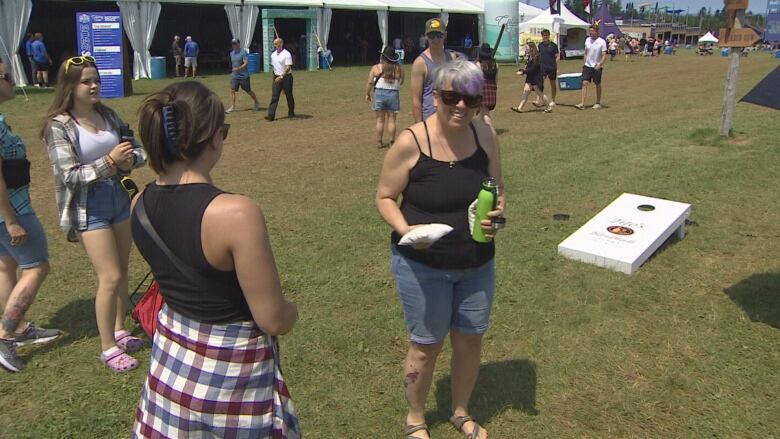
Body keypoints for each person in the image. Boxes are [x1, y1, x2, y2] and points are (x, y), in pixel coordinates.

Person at [132, 81, 299, 438]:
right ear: (212, 139)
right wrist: (292, 310)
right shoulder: (235, 213)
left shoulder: (138, 205)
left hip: (171, 365)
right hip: (231, 377)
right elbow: (273, 318)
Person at [376, 57, 505, 439]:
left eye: (470, 98)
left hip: (477, 263)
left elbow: (498, 191)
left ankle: (461, 411)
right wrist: (406, 229)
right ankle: (415, 418)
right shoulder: (411, 141)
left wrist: (498, 216)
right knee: (426, 346)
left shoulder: (485, 136)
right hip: (423, 266)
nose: (461, 106)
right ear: (436, 96)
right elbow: (384, 196)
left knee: (469, 340)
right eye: (452, 97)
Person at [41, 55, 147, 372]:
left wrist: (131, 161)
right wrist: (112, 162)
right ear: (70, 87)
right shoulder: (59, 127)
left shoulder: (108, 115)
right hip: (88, 205)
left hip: (118, 195)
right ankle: (107, 348)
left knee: (123, 270)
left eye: (96, 79)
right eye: (86, 81)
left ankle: (119, 329)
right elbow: (69, 176)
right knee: (110, 276)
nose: (94, 85)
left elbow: (137, 151)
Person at [0, 57, 60, 373]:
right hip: (12, 209)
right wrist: (10, 219)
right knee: (37, 267)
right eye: (5, 75)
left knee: (6, 265)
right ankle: (6, 335)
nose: (10, 79)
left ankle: (20, 328)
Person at [411, 18, 460, 122]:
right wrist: (420, 128)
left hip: (451, 118)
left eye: (439, 35)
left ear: (445, 35)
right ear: (425, 36)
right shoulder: (420, 63)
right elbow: (416, 100)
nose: (436, 39)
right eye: (431, 35)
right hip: (430, 121)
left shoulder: (452, 58)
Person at [366, 47, 404, 148]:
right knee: (392, 120)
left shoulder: (375, 68)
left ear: (383, 56)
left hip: (379, 94)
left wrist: (367, 93)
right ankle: (392, 142)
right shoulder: (398, 69)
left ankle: (379, 142)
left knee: (380, 120)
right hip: (393, 94)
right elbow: (402, 82)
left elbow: (370, 82)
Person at [511, 42, 552, 114]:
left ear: (532, 48)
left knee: (540, 94)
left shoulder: (537, 56)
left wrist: (523, 72)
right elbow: (528, 68)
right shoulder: (529, 56)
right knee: (525, 91)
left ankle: (548, 107)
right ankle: (520, 108)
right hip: (530, 78)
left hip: (536, 79)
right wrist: (522, 70)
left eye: (527, 48)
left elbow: (533, 69)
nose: (526, 49)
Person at [576, 25, 607, 110]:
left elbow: (604, 55)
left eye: (592, 31)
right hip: (587, 66)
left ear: (597, 31)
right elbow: (586, 52)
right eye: (590, 31)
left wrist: (600, 64)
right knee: (584, 83)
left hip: (597, 66)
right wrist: (585, 61)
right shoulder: (587, 40)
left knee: (597, 84)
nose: (591, 33)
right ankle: (582, 103)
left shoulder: (602, 42)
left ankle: (598, 103)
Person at [265, 38, 295, 122]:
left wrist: (281, 77)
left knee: (289, 96)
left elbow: (288, 67)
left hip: (286, 78)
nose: (274, 46)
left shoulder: (287, 54)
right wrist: (275, 77)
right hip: (276, 77)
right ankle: (271, 116)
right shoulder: (273, 55)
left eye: (276, 44)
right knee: (274, 96)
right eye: (274, 44)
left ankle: (291, 112)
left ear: (281, 44)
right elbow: (274, 67)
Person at [225, 39, 260, 113]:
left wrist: (238, 68)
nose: (234, 45)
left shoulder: (244, 52)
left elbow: (246, 63)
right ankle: (232, 107)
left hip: (244, 76)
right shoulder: (231, 53)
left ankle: (256, 102)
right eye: (232, 44)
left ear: (239, 44)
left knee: (248, 90)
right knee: (232, 90)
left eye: (235, 43)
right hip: (234, 76)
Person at [536, 29, 559, 107]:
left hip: (552, 68)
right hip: (543, 68)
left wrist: (556, 65)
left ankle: (553, 100)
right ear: (542, 36)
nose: (545, 37)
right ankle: (539, 100)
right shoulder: (540, 45)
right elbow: (538, 56)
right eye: (543, 35)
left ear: (549, 36)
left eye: (546, 35)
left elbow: (557, 56)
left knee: (552, 84)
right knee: (540, 84)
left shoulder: (553, 45)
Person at [476, 43, 498, 124]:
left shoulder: (479, 65)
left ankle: (489, 129)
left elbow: (478, 80)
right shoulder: (495, 64)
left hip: (482, 91)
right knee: (484, 111)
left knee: (485, 113)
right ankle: (484, 129)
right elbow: (496, 80)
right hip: (492, 90)